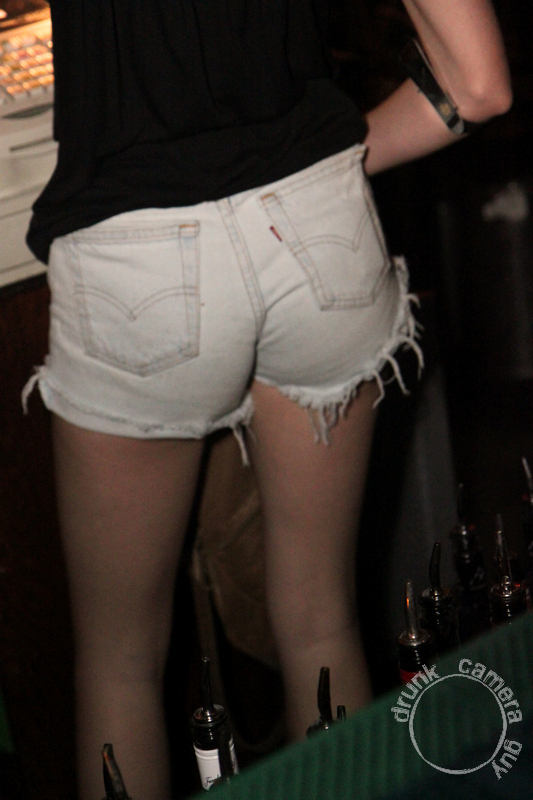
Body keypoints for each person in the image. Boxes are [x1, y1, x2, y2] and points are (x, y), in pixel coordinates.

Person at [24, 1, 511, 798]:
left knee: (121, 663)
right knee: (322, 618)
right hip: (316, 222)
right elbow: (480, 86)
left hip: (134, 241)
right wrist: (320, 164)